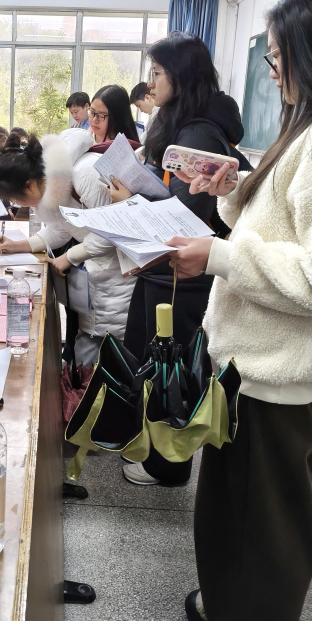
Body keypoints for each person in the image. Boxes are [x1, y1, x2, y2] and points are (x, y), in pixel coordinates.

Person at [167, 0, 312, 621]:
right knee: (233, 514)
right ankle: (230, 607)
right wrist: (231, 194)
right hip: (248, 366)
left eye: (278, 56)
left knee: (265, 530)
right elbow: (274, 227)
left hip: (279, 381)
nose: (271, 69)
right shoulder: (298, 128)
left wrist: (219, 254)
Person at [122, 31, 245, 488]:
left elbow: (186, 213)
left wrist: (132, 199)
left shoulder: (198, 131)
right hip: (170, 269)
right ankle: (160, 456)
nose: (150, 83)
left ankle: (169, 465)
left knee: (170, 369)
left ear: (181, 75)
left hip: (182, 274)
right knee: (161, 362)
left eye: (157, 72)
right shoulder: (188, 122)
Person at [0, 130, 135, 365]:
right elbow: (62, 228)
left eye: (15, 199)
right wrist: (19, 246)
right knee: (92, 340)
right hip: (99, 272)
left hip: (121, 272)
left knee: (114, 348)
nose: (17, 205)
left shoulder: (84, 176)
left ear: (29, 185)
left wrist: (70, 256)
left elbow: (112, 231)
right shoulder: (53, 184)